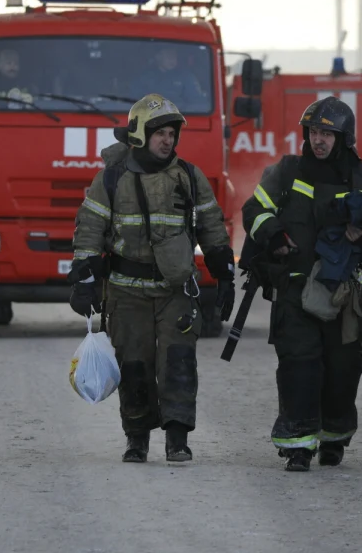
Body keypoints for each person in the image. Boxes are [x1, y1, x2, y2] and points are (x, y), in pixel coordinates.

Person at [68, 94, 236, 463]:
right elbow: (90, 229)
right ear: (140, 134)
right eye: (160, 133)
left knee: (178, 362)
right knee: (134, 366)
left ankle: (177, 439)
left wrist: (225, 274)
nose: (167, 141)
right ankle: (137, 439)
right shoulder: (111, 179)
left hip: (176, 291)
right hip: (126, 293)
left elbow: (211, 227)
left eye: (172, 134)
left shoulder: (189, 177)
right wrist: (83, 281)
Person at [240, 96, 362, 472]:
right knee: (299, 365)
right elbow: (254, 209)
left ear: (344, 138)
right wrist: (274, 234)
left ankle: (334, 438)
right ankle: (298, 446)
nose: (318, 140)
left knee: (342, 369)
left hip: (343, 294)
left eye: (327, 134)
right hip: (295, 289)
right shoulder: (286, 172)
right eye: (314, 132)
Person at [131, 46, 209, 111]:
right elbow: (134, 101)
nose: (172, 59)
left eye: (174, 55)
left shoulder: (186, 77)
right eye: (168, 55)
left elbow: (197, 102)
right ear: (158, 57)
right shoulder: (145, 77)